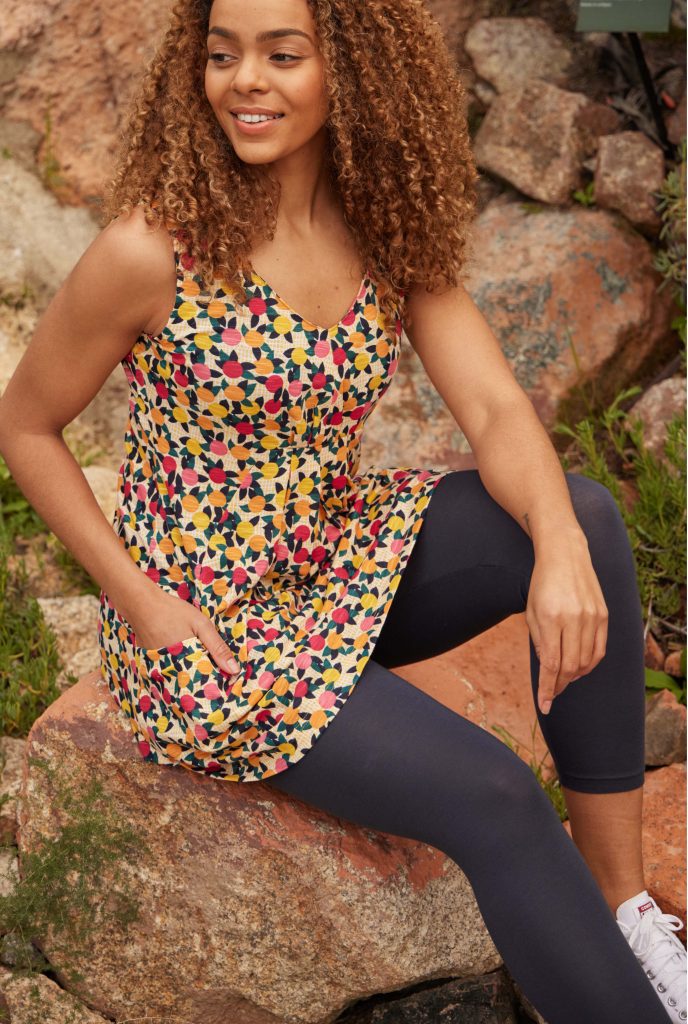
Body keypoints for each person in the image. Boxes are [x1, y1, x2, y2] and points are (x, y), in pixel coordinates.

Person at [0, 0, 684, 1020]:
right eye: (223, 54)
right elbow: (24, 425)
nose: (245, 80)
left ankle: (622, 909)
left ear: (350, 70)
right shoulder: (151, 250)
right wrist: (140, 601)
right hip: (213, 628)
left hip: (333, 555)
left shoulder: (381, 227)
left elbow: (496, 408)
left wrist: (557, 549)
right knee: (495, 795)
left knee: (579, 518)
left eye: (282, 55)